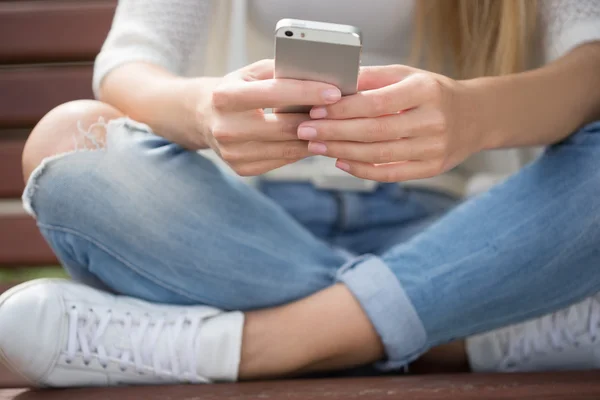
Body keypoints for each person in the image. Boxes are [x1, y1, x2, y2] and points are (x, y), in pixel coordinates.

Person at [1, 0, 600, 388]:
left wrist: (474, 115)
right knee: (65, 139)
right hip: (245, 232)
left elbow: (591, 63)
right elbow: (130, 63)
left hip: (444, 234)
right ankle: (453, 334)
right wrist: (204, 111)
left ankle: (244, 347)